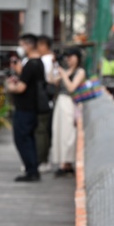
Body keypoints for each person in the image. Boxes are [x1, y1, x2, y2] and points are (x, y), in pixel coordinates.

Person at [5, 33, 44, 182]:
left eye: (21, 45)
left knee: (22, 139)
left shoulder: (30, 64)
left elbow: (21, 88)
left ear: (28, 45)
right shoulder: (38, 63)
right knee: (30, 138)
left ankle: (31, 170)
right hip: (33, 107)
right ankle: (33, 169)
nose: (21, 48)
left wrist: (10, 87)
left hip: (25, 108)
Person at [50, 48, 87, 177]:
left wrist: (64, 75)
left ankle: (68, 163)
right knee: (59, 132)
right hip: (60, 103)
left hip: (71, 104)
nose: (69, 59)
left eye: (72, 56)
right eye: (67, 57)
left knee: (69, 134)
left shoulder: (80, 71)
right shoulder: (65, 70)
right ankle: (63, 163)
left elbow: (72, 88)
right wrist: (54, 65)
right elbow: (51, 80)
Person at [36, 35, 56, 170]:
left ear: (44, 45)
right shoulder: (52, 59)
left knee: (41, 130)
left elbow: (48, 79)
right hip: (50, 99)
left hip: (43, 99)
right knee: (45, 130)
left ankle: (41, 160)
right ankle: (43, 159)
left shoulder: (45, 60)